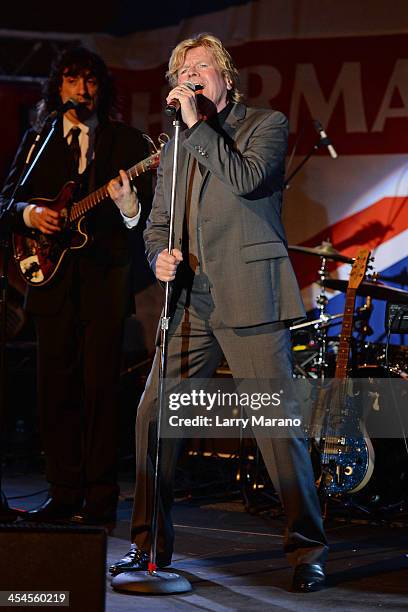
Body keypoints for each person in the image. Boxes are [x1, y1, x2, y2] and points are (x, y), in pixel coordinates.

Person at [110, 33, 328, 591]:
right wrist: (157, 254)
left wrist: (197, 125)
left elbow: (248, 178)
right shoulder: (175, 144)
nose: (191, 74)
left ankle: (307, 551)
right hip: (190, 301)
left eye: (202, 66)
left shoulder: (266, 125)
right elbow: (159, 220)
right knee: (152, 417)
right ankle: (148, 547)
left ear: (226, 77)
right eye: (183, 68)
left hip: (251, 295)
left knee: (276, 430)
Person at [0, 46, 152, 525]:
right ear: (57, 87)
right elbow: (6, 202)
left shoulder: (126, 143)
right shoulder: (38, 139)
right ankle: (63, 493)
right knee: (55, 393)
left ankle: (101, 499)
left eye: (90, 81)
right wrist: (30, 213)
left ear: (101, 89)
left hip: (104, 284)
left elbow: (144, 220)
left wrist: (128, 207)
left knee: (100, 394)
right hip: (49, 284)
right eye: (71, 80)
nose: (81, 90)